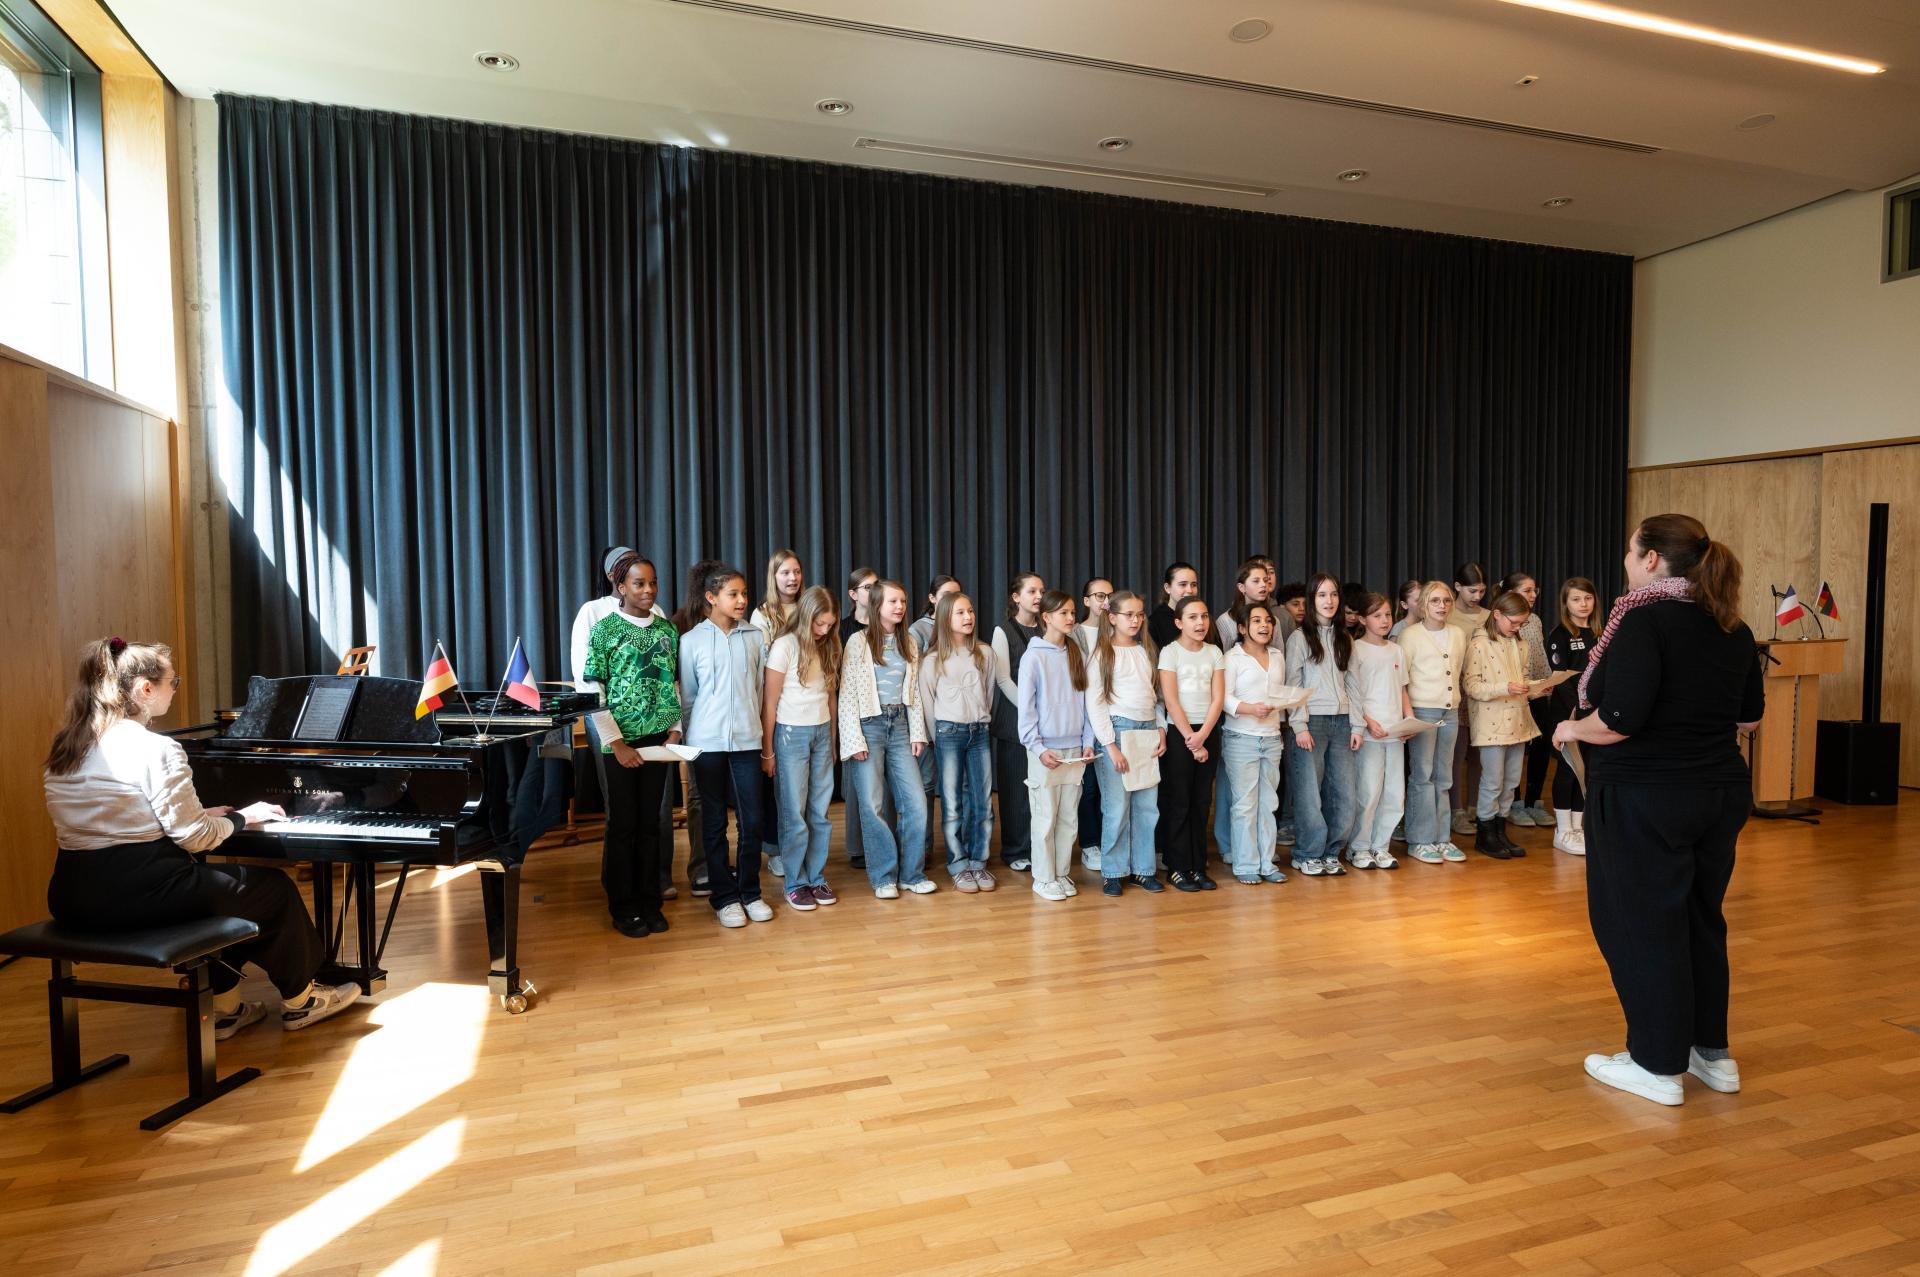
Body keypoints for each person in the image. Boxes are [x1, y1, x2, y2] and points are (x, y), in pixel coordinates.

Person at [42, 638, 361, 1037]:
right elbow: (194, 838)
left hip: (74, 897)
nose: (174, 690)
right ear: (145, 689)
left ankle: (224, 1008)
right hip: (137, 897)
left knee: (223, 892)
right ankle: (302, 1001)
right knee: (272, 890)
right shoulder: (155, 748)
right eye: (172, 683)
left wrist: (200, 816)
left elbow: (112, 820)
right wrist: (243, 817)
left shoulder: (69, 747)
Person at [1557, 514, 1762, 1107]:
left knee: (1640, 924)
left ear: (1651, 560)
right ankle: (1710, 1053)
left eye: (1630, 551)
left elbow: (1620, 719)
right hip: (1718, 792)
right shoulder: (1733, 626)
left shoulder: (1643, 620)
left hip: (1645, 796)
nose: (1624, 561)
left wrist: (1572, 728)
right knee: (1700, 920)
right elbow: (1749, 719)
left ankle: (1656, 1063)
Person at [582, 552, 682, 937]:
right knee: (623, 824)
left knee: (651, 823)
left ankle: (649, 901)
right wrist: (617, 743)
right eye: (639, 583)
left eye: (653, 582)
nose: (648, 590)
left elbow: (672, 684)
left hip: (658, 740)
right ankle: (623, 906)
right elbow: (595, 691)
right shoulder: (605, 630)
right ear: (620, 587)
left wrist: (675, 730)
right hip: (620, 743)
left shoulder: (667, 630)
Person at [680, 564, 771, 928]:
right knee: (714, 821)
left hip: (748, 741)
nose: (741, 600)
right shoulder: (691, 641)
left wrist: (761, 739)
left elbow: (760, 690)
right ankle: (724, 897)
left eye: (744, 593)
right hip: (707, 745)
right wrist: (692, 742)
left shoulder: (755, 637)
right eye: (733, 594)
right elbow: (689, 698)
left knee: (752, 819)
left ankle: (750, 892)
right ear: (711, 597)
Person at [840, 580, 935, 898]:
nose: (900, 607)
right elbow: (847, 694)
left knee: (916, 803)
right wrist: (854, 739)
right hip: (869, 726)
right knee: (873, 804)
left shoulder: (909, 642)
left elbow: (915, 693)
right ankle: (883, 877)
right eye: (893, 601)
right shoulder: (858, 642)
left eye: (903, 601)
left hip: (900, 727)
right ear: (877, 605)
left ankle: (912, 874)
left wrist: (918, 732)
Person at [762, 586, 842, 911]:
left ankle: (816, 877)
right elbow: (769, 703)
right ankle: (795, 882)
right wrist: (767, 751)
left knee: (820, 812)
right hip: (790, 734)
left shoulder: (829, 644)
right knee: (794, 813)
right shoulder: (784, 646)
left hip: (821, 732)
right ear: (806, 616)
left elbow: (831, 697)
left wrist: (833, 741)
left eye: (829, 625)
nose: (823, 630)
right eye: (818, 624)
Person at [1018, 591, 1096, 902]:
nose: (1070, 618)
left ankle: (1061, 873)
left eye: (1072, 612)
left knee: (1068, 819)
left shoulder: (1077, 653)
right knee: (1045, 818)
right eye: (1063, 613)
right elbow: (1026, 711)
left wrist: (1087, 742)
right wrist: (1038, 748)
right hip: (1045, 752)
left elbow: (1087, 704)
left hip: (1075, 751)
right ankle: (1043, 877)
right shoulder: (1033, 657)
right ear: (1046, 617)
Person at [1086, 590, 1165, 896]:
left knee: (1147, 806)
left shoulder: (1147, 650)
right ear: (1112, 618)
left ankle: (1143, 870)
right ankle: (1114, 871)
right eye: (1128, 615)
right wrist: (1110, 745)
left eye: (1140, 614)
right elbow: (1095, 703)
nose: (1135, 620)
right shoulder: (1103, 654)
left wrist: (1161, 729)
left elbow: (1156, 696)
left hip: (1147, 730)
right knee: (1117, 807)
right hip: (1118, 731)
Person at [918, 590, 997, 893]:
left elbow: (988, 693)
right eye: (960, 613)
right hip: (948, 734)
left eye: (970, 611)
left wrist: (980, 720)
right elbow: (927, 703)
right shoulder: (933, 660)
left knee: (983, 801)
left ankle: (979, 861)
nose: (968, 617)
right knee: (952, 803)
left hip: (979, 733)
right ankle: (958, 863)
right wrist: (933, 737)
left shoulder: (984, 653)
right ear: (944, 619)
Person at [1284, 574, 1364, 877]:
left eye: (1333, 595)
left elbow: (1354, 684)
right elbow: (1293, 684)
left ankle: (1331, 852)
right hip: (1311, 723)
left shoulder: (1345, 638)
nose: (1329, 601)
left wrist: (1357, 725)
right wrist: (1299, 725)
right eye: (1321, 595)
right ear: (1311, 599)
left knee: (1344, 795)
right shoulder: (1299, 638)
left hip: (1343, 723)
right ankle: (1307, 853)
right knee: (1309, 795)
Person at [1464, 590, 1540, 860]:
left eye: (1522, 623)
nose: (1517, 628)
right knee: (1493, 782)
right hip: (1491, 724)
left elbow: (1524, 679)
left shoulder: (1522, 645)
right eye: (1514, 622)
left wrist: (1537, 688)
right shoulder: (1479, 645)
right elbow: (1471, 686)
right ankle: (1485, 834)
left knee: (1511, 782)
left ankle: (1500, 829)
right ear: (1496, 614)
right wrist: (1504, 687)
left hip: (1519, 722)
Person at [1155, 596, 1224, 892]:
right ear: (1178, 622)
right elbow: (1170, 700)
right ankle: (1177, 866)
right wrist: (1192, 741)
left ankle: (1198, 865)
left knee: (1201, 801)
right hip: (1179, 732)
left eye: (1204, 616)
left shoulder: (1214, 652)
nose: (1200, 623)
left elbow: (1218, 698)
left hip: (1207, 731)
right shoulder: (1170, 653)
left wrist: (1203, 735)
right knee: (1179, 800)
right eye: (1193, 617)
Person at [1219, 600, 1289, 884]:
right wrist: (1250, 709)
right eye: (1257, 621)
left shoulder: (1278, 656)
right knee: (1244, 805)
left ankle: (1266, 863)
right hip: (1241, 738)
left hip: (1272, 738)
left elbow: (1279, 694)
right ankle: (1245, 864)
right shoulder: (1232, 658)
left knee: (1268, 803)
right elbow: (1222, 698)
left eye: (1268, 621)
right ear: (1242, 628)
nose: (1264, 626)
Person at [1398, 581, 1467, 865]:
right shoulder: (1410, 635)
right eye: (1435, 601)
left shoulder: (1458, 634)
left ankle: (1442, 837)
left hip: (1450, 711)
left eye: (1447, 600)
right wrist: (1408, 716)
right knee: (1422, 776)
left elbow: (1458, 672)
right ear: (1424, 604)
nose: (1442, 606)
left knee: (1444, 776)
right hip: (1423, 711)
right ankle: (1420, 839)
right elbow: (1402, 679)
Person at [1347, 593, 1410, 871]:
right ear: (1362, 619)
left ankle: (1381, 846)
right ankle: (1359, 847)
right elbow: (1352, 693)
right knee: (1369, 792)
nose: (1384, 620)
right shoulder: (1356, 649)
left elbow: (1402, 689)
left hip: (1395, 732)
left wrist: (1409, 719)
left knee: (1395, 793)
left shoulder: (1396, 650)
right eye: (1377, 616)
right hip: (1370, 733)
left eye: (1387, 614)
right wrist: (1367, 721)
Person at [990, 572, 1045, 871]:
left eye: (1041, 591)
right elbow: (1002, 678)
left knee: (1040, 789)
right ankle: (1015, 851)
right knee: (1015, 790)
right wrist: (1028, 708)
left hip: (1046, 721)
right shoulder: (1004, 631)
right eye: (1031, 591)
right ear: (1016, 597)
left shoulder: (1048, 626)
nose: (1038, 597)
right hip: (1015, 720)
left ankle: (1039, 847)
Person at [1544, 577, 1600, 855]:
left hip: (1593, 712)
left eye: (1587, 598)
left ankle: (1578, 828)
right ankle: (1563, 829)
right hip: (1568, 710)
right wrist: (1579, 707)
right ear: (1565, 603)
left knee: (1585, 769)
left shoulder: (1600, 633)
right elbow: (1561, 679)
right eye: (1576, 599)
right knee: (1568, 769)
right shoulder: (1561, 635)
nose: (1583, 604)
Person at [1501, 571, 1554, 828]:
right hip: (1513, 691)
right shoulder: (1501, 621)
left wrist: (1547, 682)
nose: (1533, 595)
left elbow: (1539, 656)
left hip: (1536, 690)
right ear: (1511, 593)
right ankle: (1514, 803)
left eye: (1535, 590)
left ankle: (1534, 802)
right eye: (1527, 590)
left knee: (1542, 743)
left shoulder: (1535, 620)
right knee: (1515, 747)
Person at [1148, 561, 1201, 648]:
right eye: (1183, 584)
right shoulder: (1154, 622)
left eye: (1193, 585)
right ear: (1167, 588)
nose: (1190, 590)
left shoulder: (1204, 617)